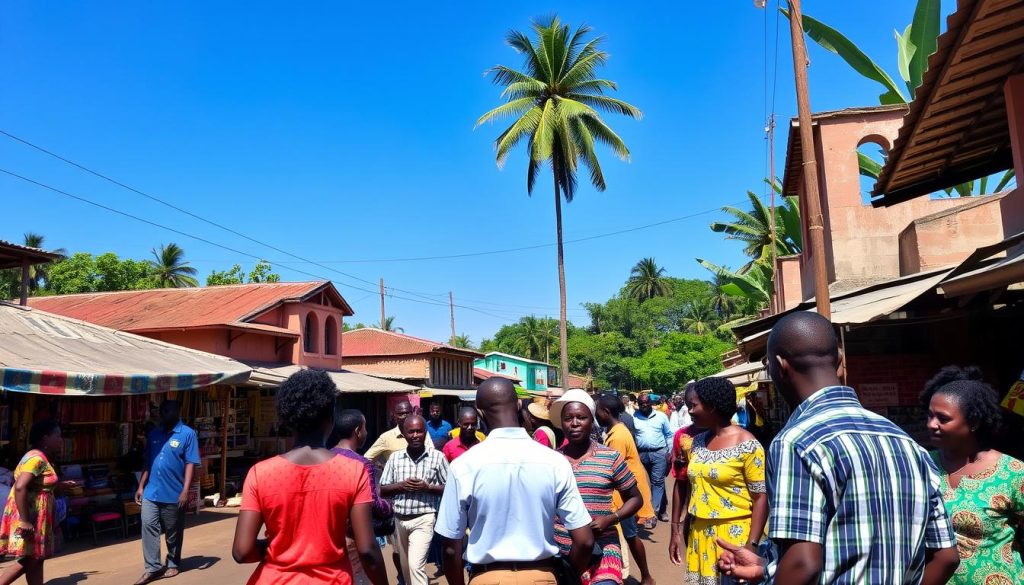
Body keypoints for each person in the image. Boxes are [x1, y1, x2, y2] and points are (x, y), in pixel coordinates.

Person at [716, 312, 960, 585]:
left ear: (780, 365)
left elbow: (803, 564)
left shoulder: (795, 441)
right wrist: (769, 566)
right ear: (840, 361)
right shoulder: (908, 443)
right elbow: (946, 556)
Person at [232, 370, 386, 585]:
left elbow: (242, 551)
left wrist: (277, 546)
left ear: (287, 419)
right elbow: (368, 550)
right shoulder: (353, 471)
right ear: (330, 418)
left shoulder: (261, 473)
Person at [436, 377, 594, 585]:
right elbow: (585, 541)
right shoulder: (555, 462)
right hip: (542, 576)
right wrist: (565, 576)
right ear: (519, 405)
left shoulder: (463, 466)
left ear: (479, 412)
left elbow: (450, 549)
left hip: (487, 578)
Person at [921, 366, 1024, 584]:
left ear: (974, 423)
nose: (932, 424)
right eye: (929, 415)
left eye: (943, 418)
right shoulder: (920, 465)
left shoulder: (1012, 472)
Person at [667, 377, 767, 584]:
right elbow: (687, 488)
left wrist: (751, 546)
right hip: (699, 533)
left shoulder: (747, 445)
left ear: (712, 406)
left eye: (694, 405)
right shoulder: (696, 443)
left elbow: (760, 498)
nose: (690, 411)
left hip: (734, 536)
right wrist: (676, 530)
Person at [549, 390, 642, 585]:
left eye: (581, 418)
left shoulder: (610, 457)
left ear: (592, 422)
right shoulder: (551, 461)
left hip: (603, 546)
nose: (574, 423)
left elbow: (635, 498)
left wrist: (611, 518)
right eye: (568, 418)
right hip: (561, 550)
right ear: (561, 423)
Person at [0, 421, 77, 585]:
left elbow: (38, 484)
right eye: (57, 435)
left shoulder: (40, 457)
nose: (60, 439)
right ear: (45, 438)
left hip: (37, 517)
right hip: (30, 517)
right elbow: (21, 486)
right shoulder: (36, 459)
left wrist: (60, 485)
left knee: (36, 558)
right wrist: (25, 521)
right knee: (29, 561)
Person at [134, 400, 200, 584]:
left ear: (178, 410)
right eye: (162, 410)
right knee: (148, 525)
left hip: (174, 492)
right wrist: (141, 486)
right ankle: (152, 567)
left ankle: (172, 562)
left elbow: (190, 463)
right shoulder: (154, 433)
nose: (164, 413)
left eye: (168, 410)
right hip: (151, 492)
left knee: (173, 531)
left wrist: (186, 490)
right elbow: (148, 462)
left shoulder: (188, 434)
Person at [595, 394, 656, 585]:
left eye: (597, 411)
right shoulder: (616, 431)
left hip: (624, 496)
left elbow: (612, 470)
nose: (596, 415)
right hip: (626, 493)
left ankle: (645, 576)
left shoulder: (618, 437)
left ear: (605, 412)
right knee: (629, 536)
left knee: (629, 535)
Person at [380, 415, 449, 585]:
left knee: (415, 565)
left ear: (425, 433)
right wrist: (402, 486)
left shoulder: (437, 457)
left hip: (424, 518)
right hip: (399, 520)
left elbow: (449, 488)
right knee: (406, 570)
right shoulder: (395, 458)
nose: (415, 435)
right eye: (411, 432)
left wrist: (428, 488)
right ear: (404, 434)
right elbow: (383, 490)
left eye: (419, 431)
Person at [330, 409, 395, 585]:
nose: (366, 432)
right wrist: (390, 506)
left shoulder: (325, 457)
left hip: (330, 537)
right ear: (358, 431)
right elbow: (373, 503)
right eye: (365, 428)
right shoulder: (362, 464)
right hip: (355, 537)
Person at [632, 393, 673, 526]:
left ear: (650, 403)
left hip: (659, 453)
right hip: (642, 455)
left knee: (658, 481)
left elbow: (669, 435)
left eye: (646, 403)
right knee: (646, 483)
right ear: (638, 404)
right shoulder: (634, 418)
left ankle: (653, 513)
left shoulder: (661, 416)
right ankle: (661, 509)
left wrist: (669, 452)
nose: (644, 405)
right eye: (641, 403)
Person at [364, 401, 433, 469]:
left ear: (412, 414)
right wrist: (382, 466)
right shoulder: (386, 437)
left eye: (408, 413)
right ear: (395, 416)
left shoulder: (421, 434)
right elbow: (367, 458)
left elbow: (432, 454)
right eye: (401, 414)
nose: (405, 416)